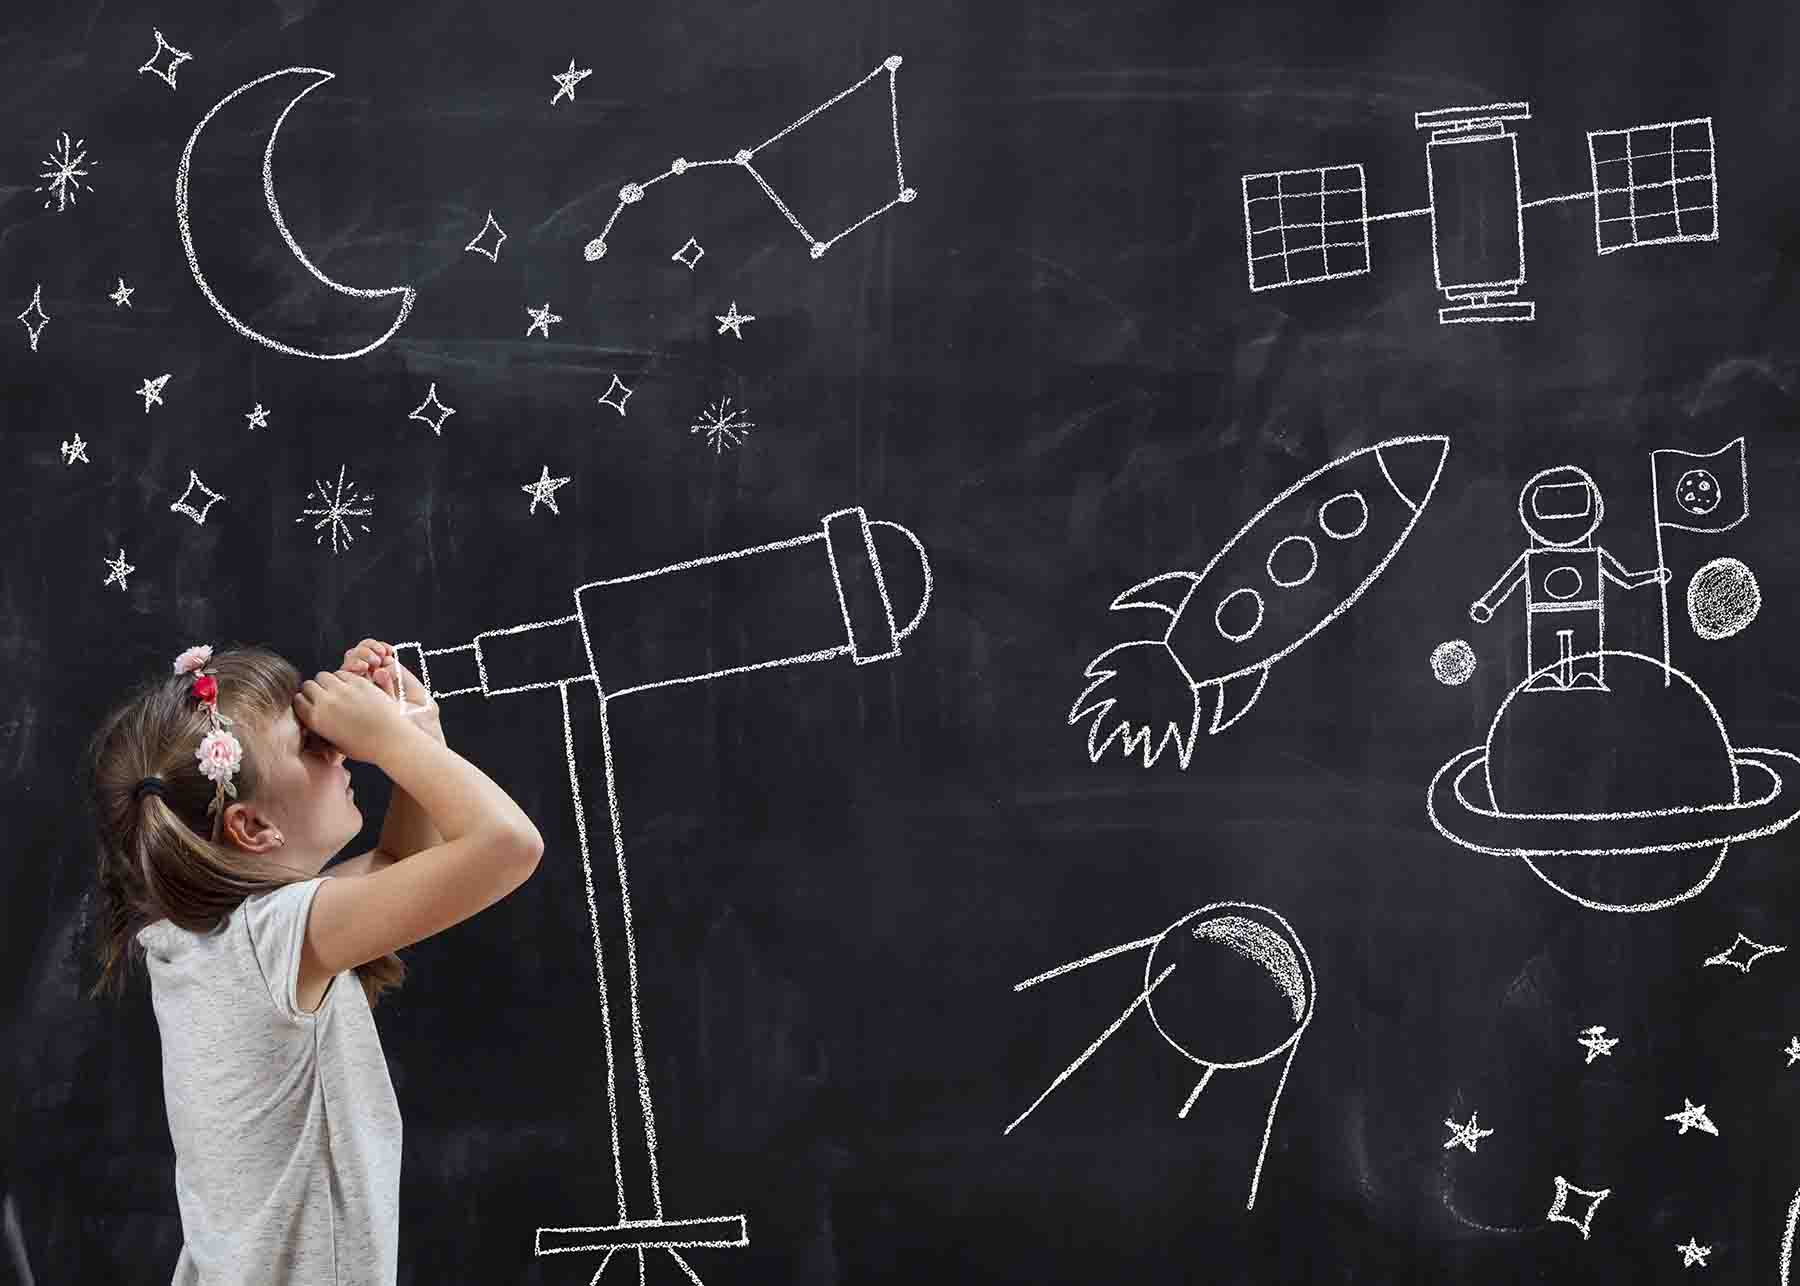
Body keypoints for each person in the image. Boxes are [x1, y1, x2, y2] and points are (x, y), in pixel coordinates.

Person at [84, 638, 544, 1286]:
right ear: (252, 828)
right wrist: (390, 742)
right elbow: (509, 845)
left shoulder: (197, 935)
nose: (335, 745)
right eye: (309, 743)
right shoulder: (273, 937)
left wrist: (416, 730)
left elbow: (401, 874)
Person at [1469, 465, 1668, 691]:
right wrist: (1487, 604)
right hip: (1545, 611)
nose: (1562, 516)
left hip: (1585, 610)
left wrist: (1653, 576)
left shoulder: (1594, 556)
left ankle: (1586, 677)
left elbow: (1627, 580)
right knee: (1544, 664)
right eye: (1549, 506)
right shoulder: (1533, 558)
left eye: (1573, 504)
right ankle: (1545, 679)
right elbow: (1508, 582)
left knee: (1587, 662)